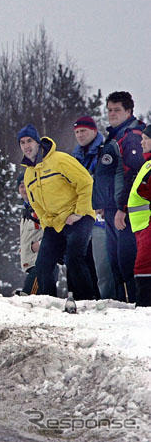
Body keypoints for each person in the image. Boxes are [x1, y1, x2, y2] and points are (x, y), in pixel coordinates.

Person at [18, 124, 98, 300]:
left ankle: (87, 302)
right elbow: (35, 204)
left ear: (38, 142)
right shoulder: (28, 174)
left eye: (29, 141)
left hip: (79, 217)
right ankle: (49, 302)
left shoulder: (60, 159)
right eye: (22, 142)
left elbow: (86, 182)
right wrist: (48, 223)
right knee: (42, 264)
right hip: (55, 222)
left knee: (74, 258)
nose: (26, 146)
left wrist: (79, 212)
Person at [95, 91, 145, 302]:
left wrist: (123, 208)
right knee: (116, 262)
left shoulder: (132, 136)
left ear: (129, 111)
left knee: (128, 261)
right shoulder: (115, 135)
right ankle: (122, 303)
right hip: (111, 208)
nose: (112, 114)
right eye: (109, 110)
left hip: (125, 211)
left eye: (117, 110)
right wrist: (100, 203)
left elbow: (133, 174)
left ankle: (137, 302)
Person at [71, 115, 110, 299]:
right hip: (82, 214)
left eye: (83, 131)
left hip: (100, 212)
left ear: (94, 131)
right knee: (84, 258)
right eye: (77, 132)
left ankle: (108, 299)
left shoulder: (104, 150)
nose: (80, 135)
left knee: (102, 263)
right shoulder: (75, 157)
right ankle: (88, 298)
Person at [127, 125, 151, 306]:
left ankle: (144, 308)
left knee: (144, 268)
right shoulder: (147, 164)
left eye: (145, 138)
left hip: (148, 226)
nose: (141, 142)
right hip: (142, 227)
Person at [18, 173, 43, 294]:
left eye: (28, 185)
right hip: (31, 265)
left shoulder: (42, 207)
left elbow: (55, 231)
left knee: (31, 300)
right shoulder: (26, 211)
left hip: (41, 265)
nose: (24, 189)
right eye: (22, 186)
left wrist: (41, 244)